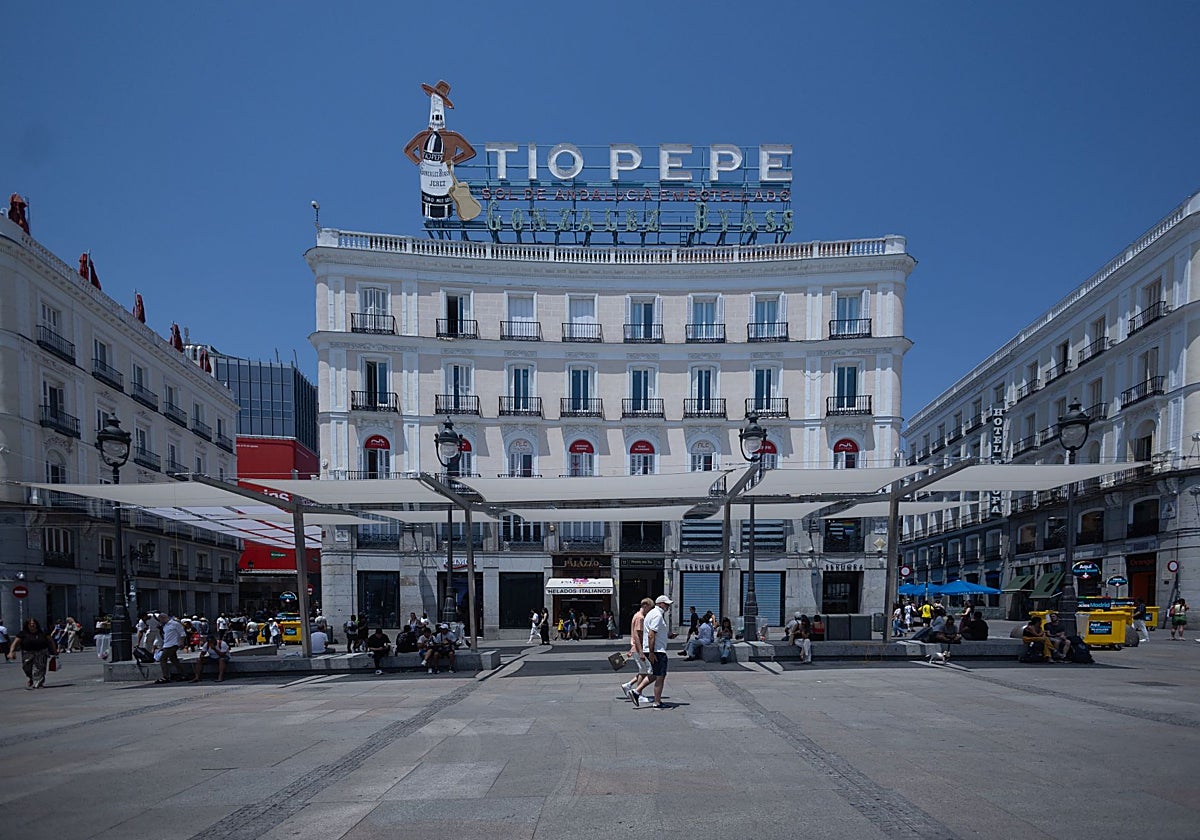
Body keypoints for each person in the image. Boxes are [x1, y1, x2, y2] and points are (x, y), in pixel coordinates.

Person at [639, 594, 673, 709]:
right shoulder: (657, 615)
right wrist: (652, 652)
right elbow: (651, 634)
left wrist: (668, 635)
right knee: (660, 676)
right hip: (657, 650)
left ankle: (636, 691)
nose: (668, 606)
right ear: (661, 604)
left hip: (653, 649)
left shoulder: (652, 614)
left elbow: (654, 632)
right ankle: (657, 702)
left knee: (654, 673)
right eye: (667, 604)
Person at [6, 618, 58, 688]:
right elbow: (15, 643)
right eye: (30, 624)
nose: (32, 625)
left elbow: (51, 641)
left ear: (36, 625)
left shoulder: (42, 632)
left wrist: (54, 650)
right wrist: (11, 652)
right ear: (27, 625)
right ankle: (30, 677)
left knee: (40, 667)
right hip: (27, 652)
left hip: (41, 651)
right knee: (26, 667)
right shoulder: (23, 633)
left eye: (34, 624)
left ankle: (38, 682)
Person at [620, 599, 654, 703]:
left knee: (643, 670)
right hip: (639, 648)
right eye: (650, 608)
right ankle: (638, 693)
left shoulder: (636, 615)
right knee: (645, 671)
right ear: (645, 605)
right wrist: (641, 651)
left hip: (635, 647)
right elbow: (638, 635)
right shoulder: (640, 618)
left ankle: (629, 685)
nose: (650, 611)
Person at [154, 612, 186, 683]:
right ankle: (183, 674)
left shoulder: (175, 624)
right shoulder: (165, 626)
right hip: (167, 645)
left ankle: (166, 676)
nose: (160, 621)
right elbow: (166, 637)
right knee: (174, 660)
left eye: (160, 620)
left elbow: (182, 633)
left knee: (163, 659)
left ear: (164, 618)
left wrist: (181, 642)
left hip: (173, 644)